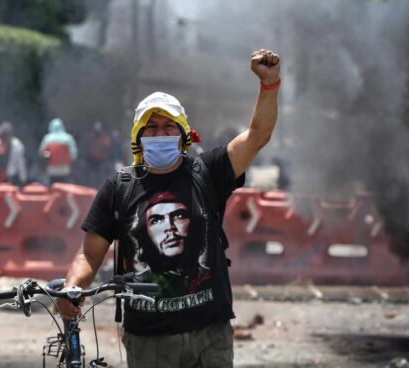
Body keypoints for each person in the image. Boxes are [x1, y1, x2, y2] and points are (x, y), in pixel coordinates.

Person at [56, 49, 280, 367]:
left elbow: (257, 136)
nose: (160, 134)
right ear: (138, 137)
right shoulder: (119, 187)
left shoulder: (209, 171)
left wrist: (269, 85)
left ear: (184, 134)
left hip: (209, 335)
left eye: (168, 126)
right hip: (150, 341)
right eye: (151, 127)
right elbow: (90, 254)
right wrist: (74, 286)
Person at [39, 118, 78, 184]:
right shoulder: (68, 138)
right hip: (64, 169)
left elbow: (44, 153)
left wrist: (49, 160)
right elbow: (73, 155)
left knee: (53, 188)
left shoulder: (47, 139)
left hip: (51, 170)